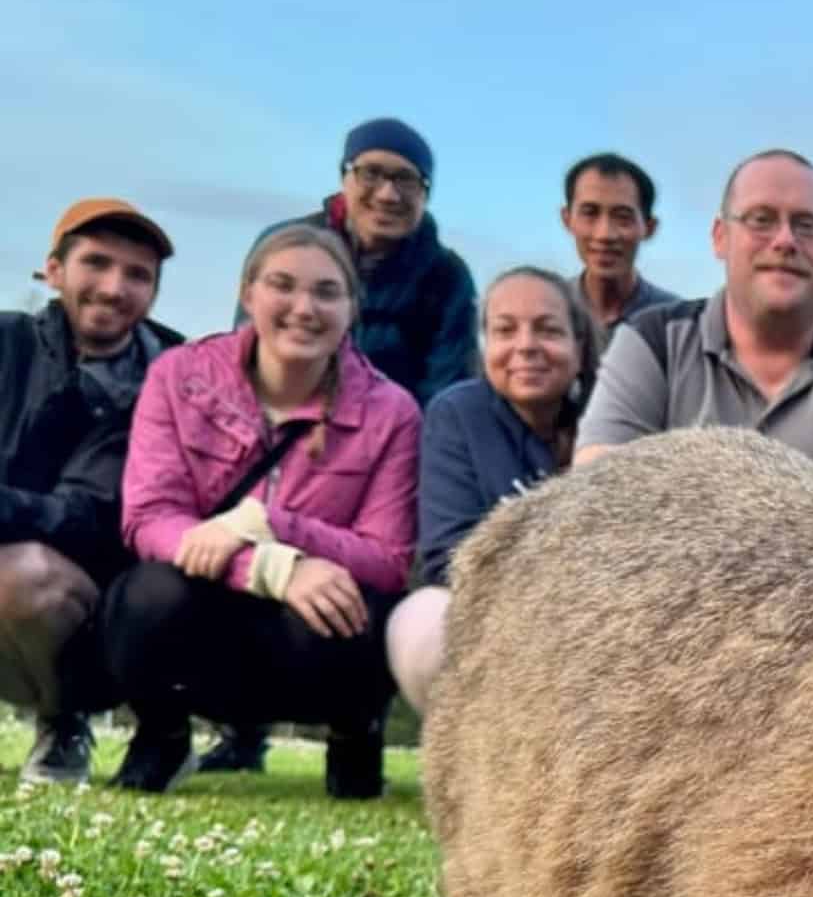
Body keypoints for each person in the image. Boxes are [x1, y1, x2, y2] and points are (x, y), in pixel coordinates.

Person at [103, 225, 419, 798]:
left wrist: (269, 522)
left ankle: (353, 733)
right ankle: (163, 736)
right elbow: (148, 517)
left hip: (311, 636)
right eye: (282, 285)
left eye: (326, 292)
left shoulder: (393, 412)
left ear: (352, 309)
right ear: (248, 294)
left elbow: (390, 557)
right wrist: (272, 566)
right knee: (146, 595)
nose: (304, 308)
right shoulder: (178, 376)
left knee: (359, 605)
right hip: (209, 610)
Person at [205, 117, 476, 775]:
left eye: (407, 180)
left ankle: (357, 732)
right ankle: (243, 730)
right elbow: (250, 351)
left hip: (389, 453)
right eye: (373, 174)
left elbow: (447, 386)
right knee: (256, 568)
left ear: (426, 192)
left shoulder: (445, 277)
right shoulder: (287, 248)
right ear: (345, 177)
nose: (388, 193)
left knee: (378, 585)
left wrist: (379, 440)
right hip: (282, 441)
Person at [576, 149, 813, 506]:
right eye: (761, 219)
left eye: (807, 225)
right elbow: (595, 508)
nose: (785, 241)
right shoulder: (652, 343)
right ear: (720, 236)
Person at [0, 199, 180, 782]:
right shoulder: (8, 342)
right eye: (96, 264)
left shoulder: (172, 378)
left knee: (25, 576)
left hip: (102, 603)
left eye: (136, 275)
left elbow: (91, 514)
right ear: (54, 271)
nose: (113, 287)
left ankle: (65, 717)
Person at [387, 267, 595, 714]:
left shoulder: (610, 416)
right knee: (420, 618)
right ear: (484, 346)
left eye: (548, 330)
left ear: (580, 348)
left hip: (595, 624)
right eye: (504, 330)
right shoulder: (456, 414)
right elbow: (448, 555)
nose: (526, 346)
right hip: (490, 617)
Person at [562, 152, 679, 350]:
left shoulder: (676, 322)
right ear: (567, 219)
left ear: (649, 228)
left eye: (622, 217)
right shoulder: (545, 312)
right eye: (590, 213)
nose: (604, 234)